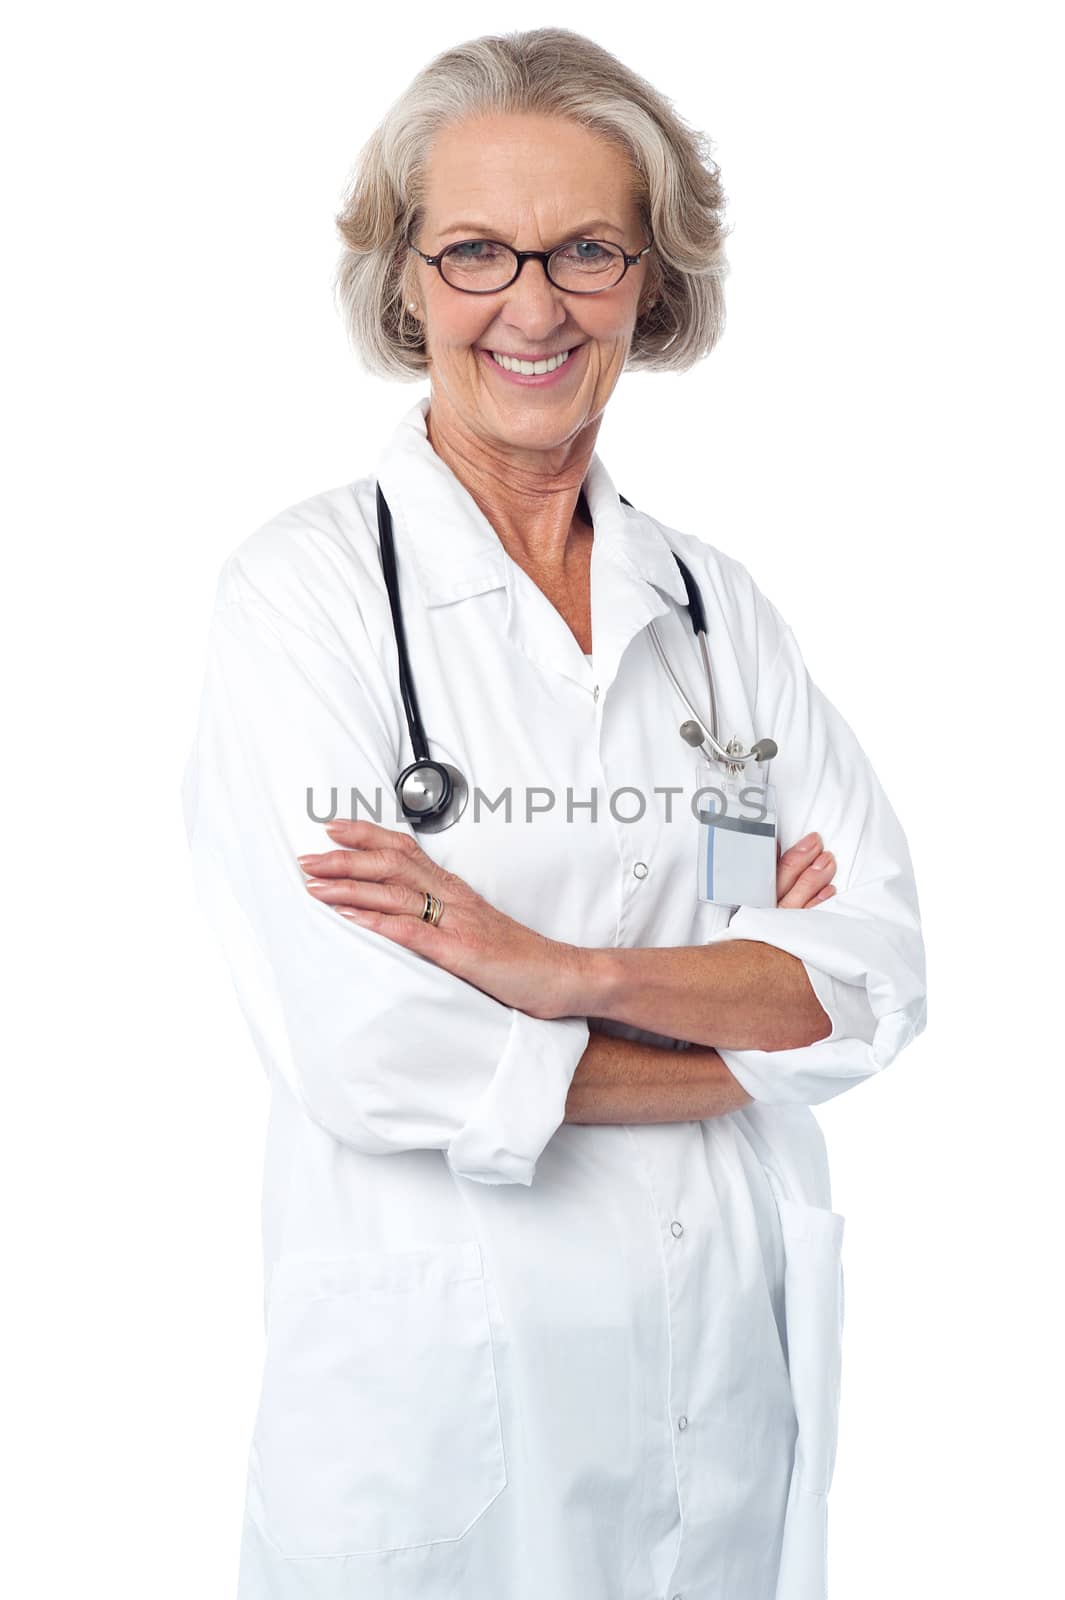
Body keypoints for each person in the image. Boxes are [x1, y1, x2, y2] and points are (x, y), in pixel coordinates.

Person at [181, 26, 927, 1600]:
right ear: (404, 284)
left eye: (587, 250)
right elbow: (373, 1050)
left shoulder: (719, 614)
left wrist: (556, 972)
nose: (534, 305)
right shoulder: (303, 598)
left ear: (653, 285)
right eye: (475, 251)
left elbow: (877, 983)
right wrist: (739, 1029)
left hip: (717, 1394)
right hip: (444, 1406)